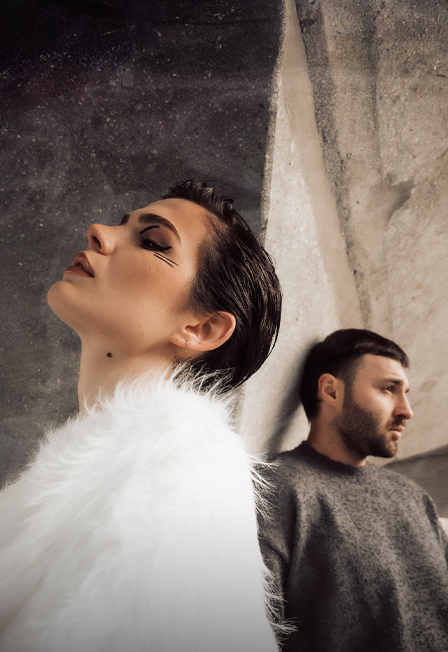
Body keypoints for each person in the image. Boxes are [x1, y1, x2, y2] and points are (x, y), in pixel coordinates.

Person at [0, 181, 282, 652]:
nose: (98, 231)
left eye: (153, 241)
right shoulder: (100, 470)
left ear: (201, 327)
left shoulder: (191, 470)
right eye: (121, 223)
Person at [259, 328, 448, 652]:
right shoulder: (276, 489)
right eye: (389, 389)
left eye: (405, 393)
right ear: (331, 391)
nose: (407, 410)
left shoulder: (412, 496)